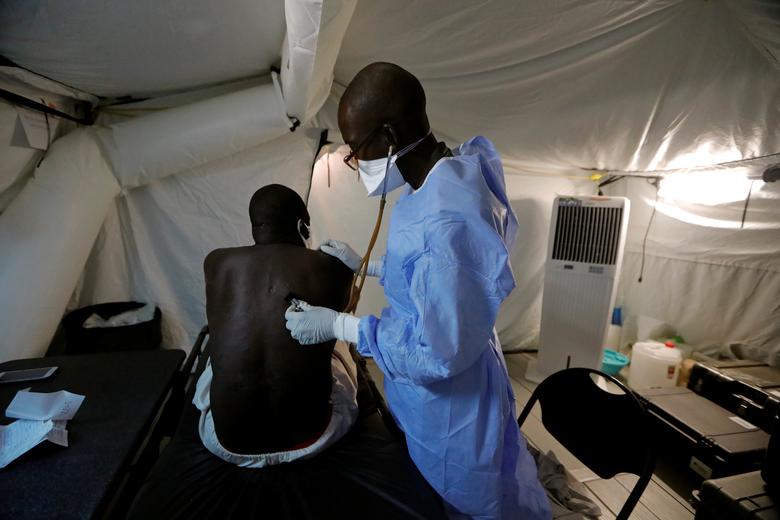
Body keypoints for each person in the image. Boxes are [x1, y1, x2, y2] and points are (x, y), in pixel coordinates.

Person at [285, 63, 551, 519]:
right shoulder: (435, 180)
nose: (354, 162)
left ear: (388, 135)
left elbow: (438, 353)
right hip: (445, 389)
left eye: (355, 149)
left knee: (467, 501)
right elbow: (432, 281)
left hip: (455, 407)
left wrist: (343, 324)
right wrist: (366, 266)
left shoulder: (446, 218)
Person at [196, 184, 358, 468]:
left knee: (216, 358)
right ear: (302, 226)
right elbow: (347, 307)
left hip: (226, 443)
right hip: (313, 438)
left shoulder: (216, 261)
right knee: (340, 339)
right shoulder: (333, 267)